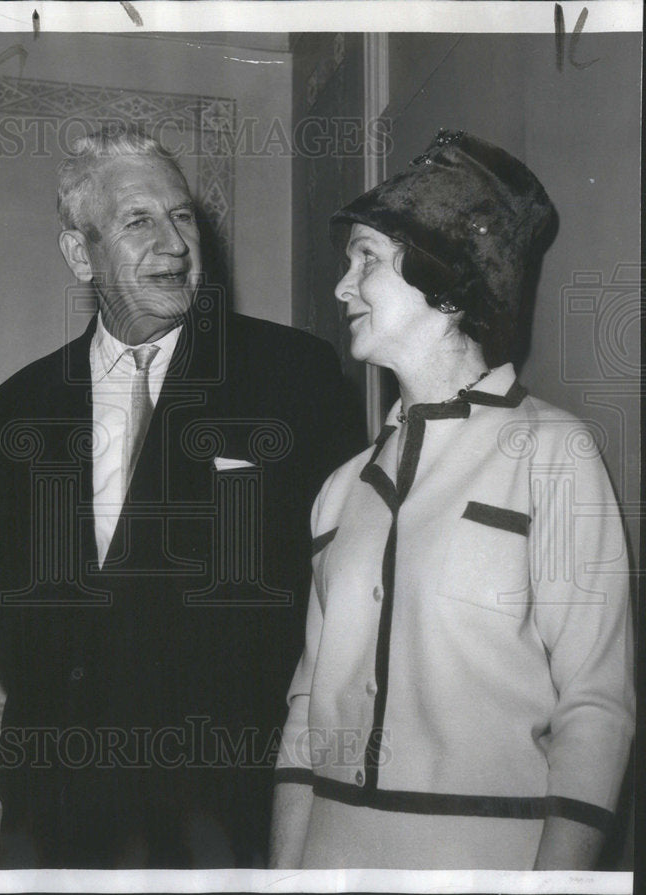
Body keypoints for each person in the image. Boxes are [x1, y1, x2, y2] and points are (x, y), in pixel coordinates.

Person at [0, 124, 359, 868]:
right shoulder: (15, 410)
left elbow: (336, 597)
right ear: (79, 253)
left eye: (182, 216)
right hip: (56, 817)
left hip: (225, 814)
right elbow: (2, 613)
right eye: (138, 221)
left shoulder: (291, 375)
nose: (175, 244)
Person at [270, 130, 634, 870]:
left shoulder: (556, 454)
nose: (343, 287)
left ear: (443, 276)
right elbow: (306, 717)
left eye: (366, 258)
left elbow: (594, 708)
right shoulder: (340, 490)